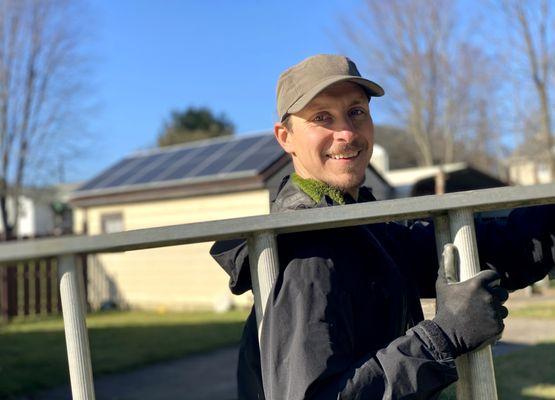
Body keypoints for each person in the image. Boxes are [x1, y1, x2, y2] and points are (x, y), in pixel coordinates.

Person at [210, 54, 555, 399]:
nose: (346, 132)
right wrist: (443, 337)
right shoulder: (308, 252)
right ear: (285, 137)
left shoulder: (361, 225)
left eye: (356, 112)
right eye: (321, 117)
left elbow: (494, 247)